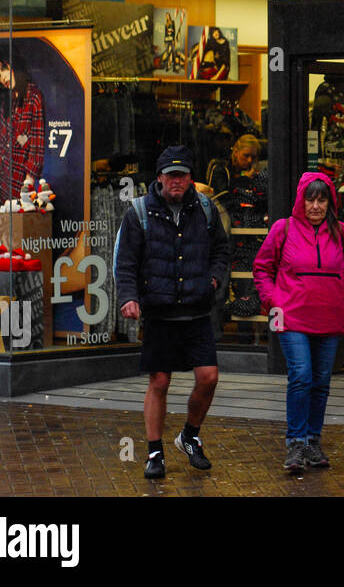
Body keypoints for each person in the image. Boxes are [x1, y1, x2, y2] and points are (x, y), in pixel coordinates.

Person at [114, 146, 230, 479]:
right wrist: (129, 298)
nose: (175, 181)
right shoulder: (139, 212)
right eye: (170, 175)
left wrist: (213, 279)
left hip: (196, 310)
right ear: (160, 177)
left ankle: (189, 437)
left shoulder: (205, 208)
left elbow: (222, 251)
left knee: (209, 377)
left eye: (181, 175)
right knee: (160, 381)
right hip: (160, 312)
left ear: (191, 178)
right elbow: (126, 263)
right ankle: (154, 452)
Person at [253, 172, 344, 473]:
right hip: (290, 315)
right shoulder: (284, 229)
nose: (316, 206)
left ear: (330, 202)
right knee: (302, 375)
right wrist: (273, 301)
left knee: (321, 382)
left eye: (322, 200)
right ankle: (295, 442)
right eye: (311, 199)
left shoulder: (341, 232)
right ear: (301, 200)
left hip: (330, 317)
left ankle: (312, 441)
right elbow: (262, 267)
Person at [0, 48, 44, 217]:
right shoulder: (6, 102)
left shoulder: (33, 96)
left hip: (18, 183)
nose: (2, 79)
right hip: (0, 180)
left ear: (15, 66)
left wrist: (28, 185)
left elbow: (37, 146)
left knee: (15, 236)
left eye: (4, 70)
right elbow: (2, 144)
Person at [204, 134, 261, 198]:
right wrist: (244, 180)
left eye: (253, 157)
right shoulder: (220, 167)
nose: (249, 160)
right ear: (236, 152)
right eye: (246, 155)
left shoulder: (255, 171)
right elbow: (221, 196)